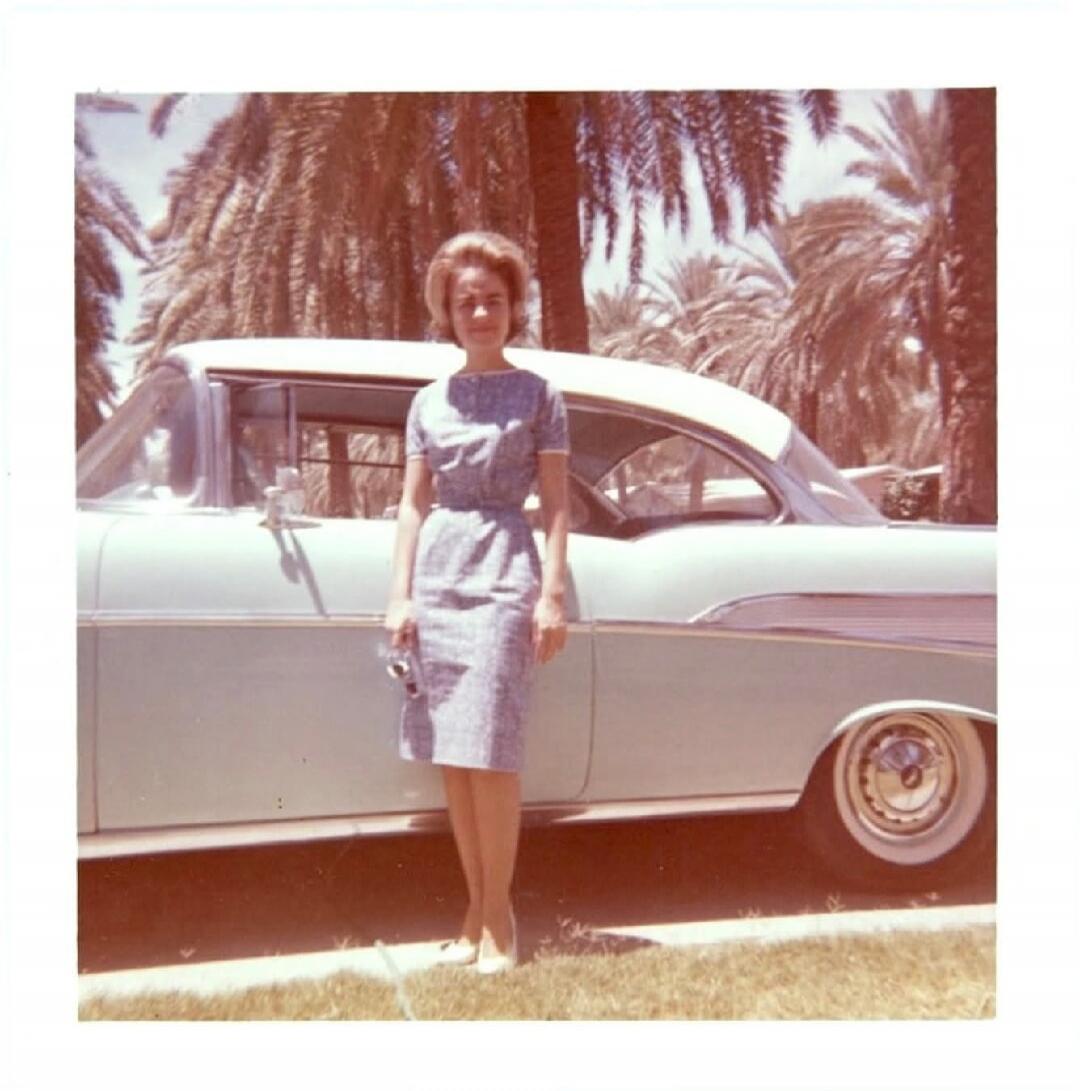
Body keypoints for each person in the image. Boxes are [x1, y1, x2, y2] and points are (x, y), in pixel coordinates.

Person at [384, 231, 570, 974]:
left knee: (491, 751)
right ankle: (471, 909)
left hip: (503, 571)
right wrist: (399, 595)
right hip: (438, 577)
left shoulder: (539, 394)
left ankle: (500, 919)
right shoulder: (428, 401)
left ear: (512, 306)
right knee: (453, 758)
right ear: (448, 313)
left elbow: (556, 502)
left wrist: (551, 593)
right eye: (466, 302)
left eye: (492, 299)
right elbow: (409, 507)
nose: (480, 312)